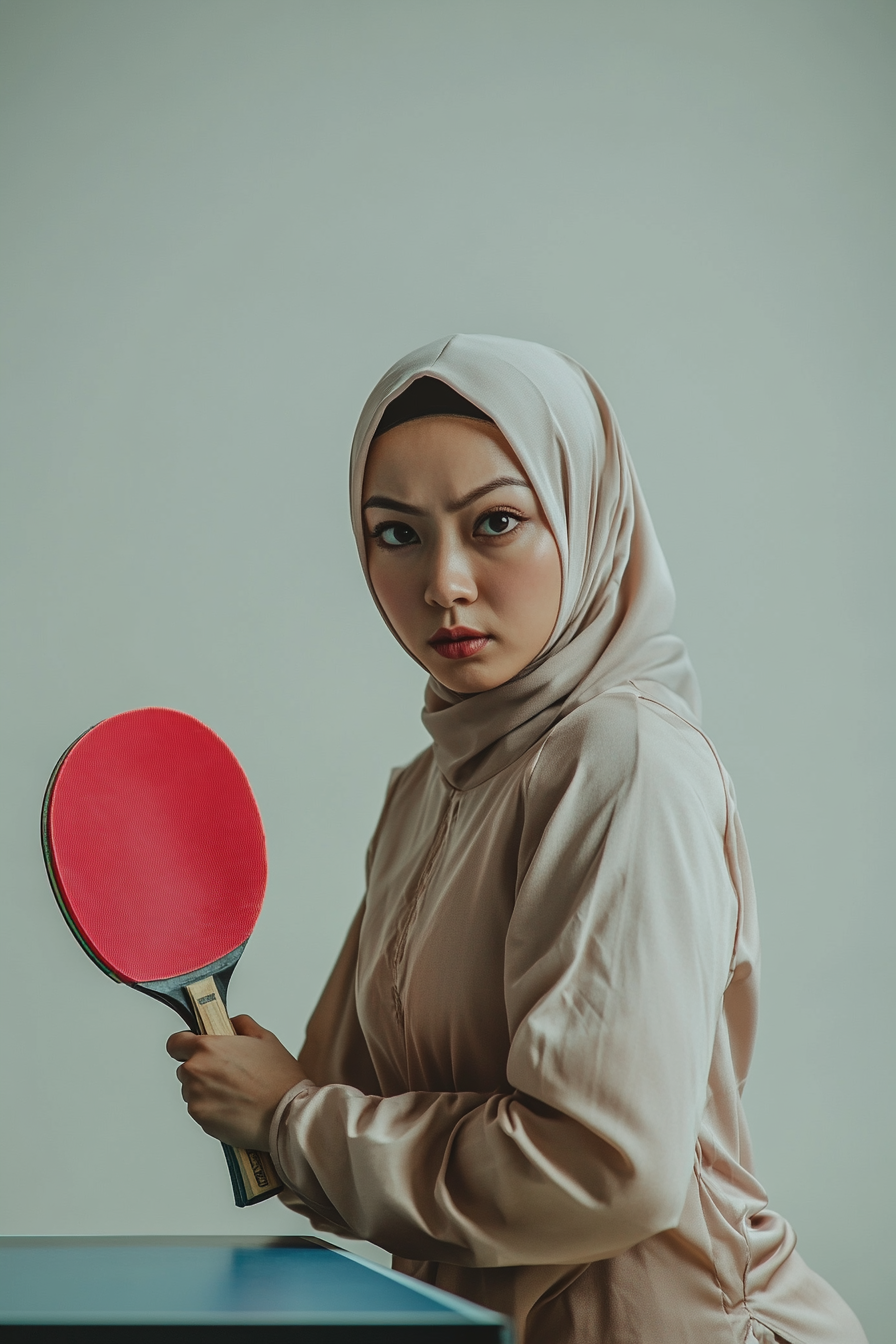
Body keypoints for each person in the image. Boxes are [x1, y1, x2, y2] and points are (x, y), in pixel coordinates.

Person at [168, 336, 866, 1344]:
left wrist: (290, 1121)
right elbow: (357, 1124)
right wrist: (272, 1102)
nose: (444, 582)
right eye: (395, 534)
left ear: (584, 517)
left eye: (494, 522)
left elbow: (600, 1171)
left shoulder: (620, 760)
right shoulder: (428, 789)